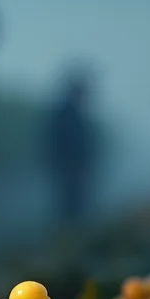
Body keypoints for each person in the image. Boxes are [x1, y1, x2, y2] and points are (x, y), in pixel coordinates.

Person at [46, 65, 97, 225]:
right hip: (68, 167)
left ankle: (71, 231)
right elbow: (57, 142)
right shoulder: (66, 114)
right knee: (70, 203)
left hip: (74, 167)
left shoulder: (74, 114)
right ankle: (68, 232)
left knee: (75, 203)